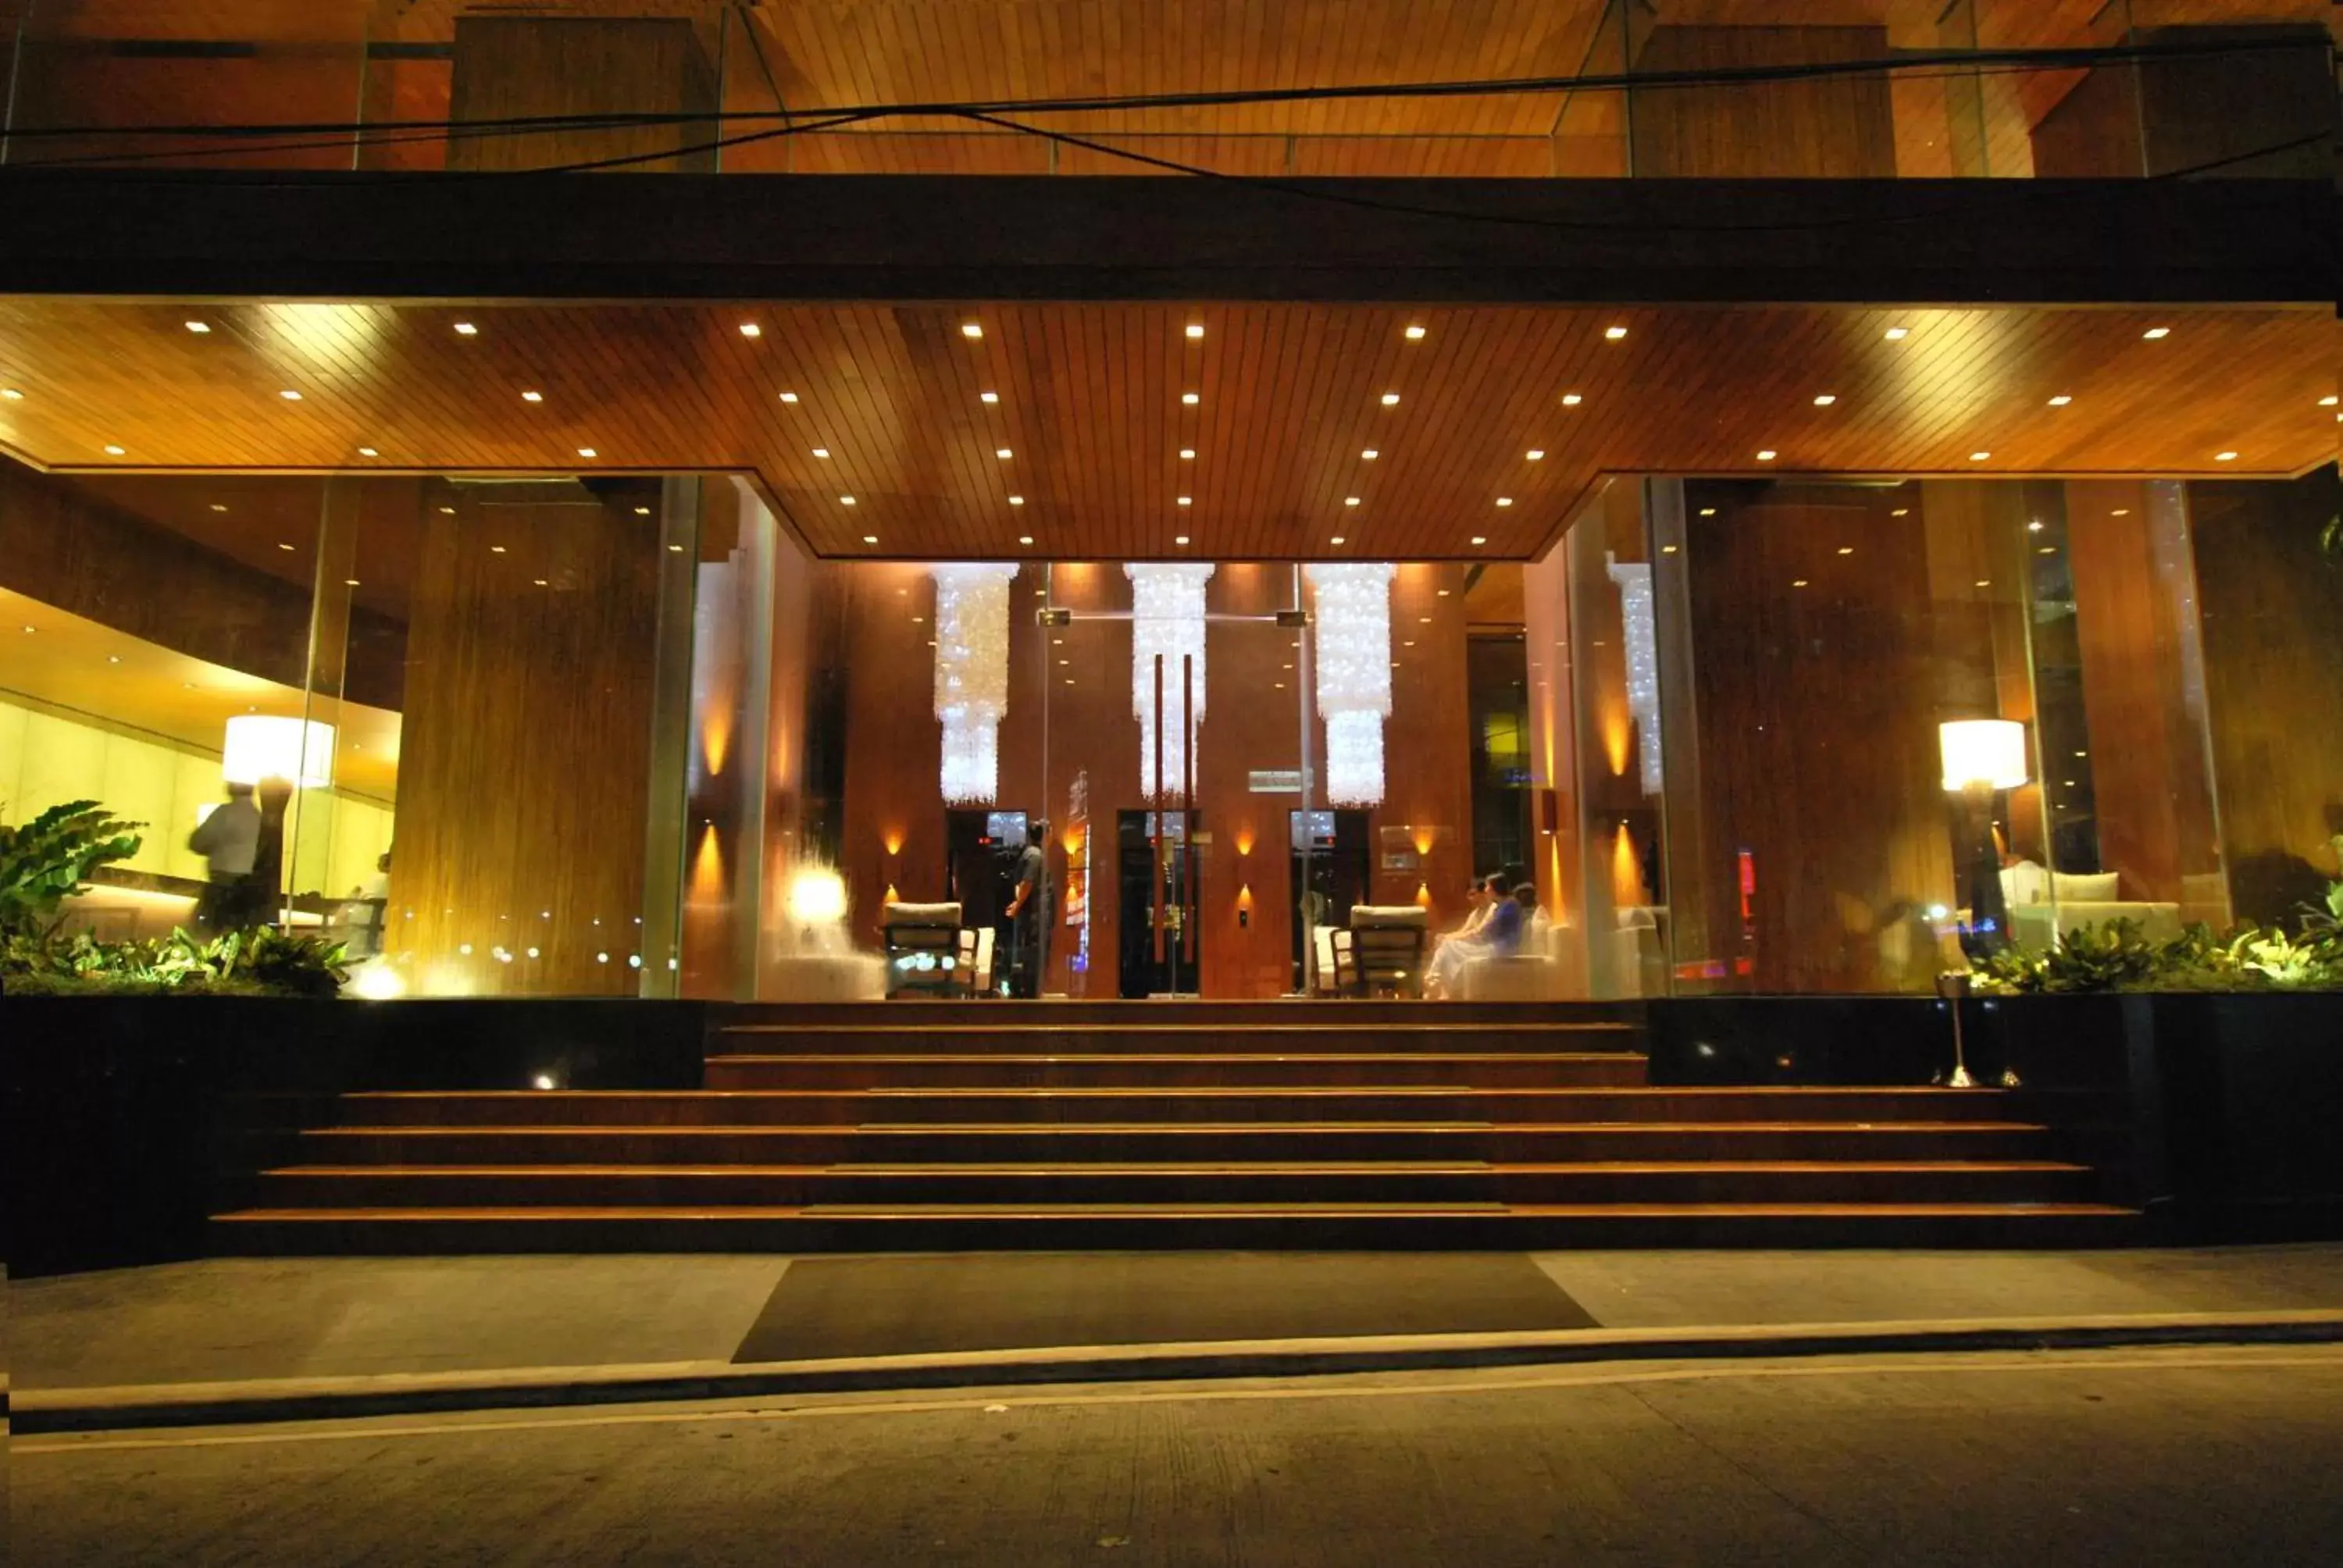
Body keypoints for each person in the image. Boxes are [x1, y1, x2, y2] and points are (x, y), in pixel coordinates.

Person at [1428, 873, 1524, 998]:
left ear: (1495, 888)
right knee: (1447, 947)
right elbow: (1476, 932)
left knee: (1448, 946)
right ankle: (1442, 985)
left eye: (1488, 887)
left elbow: (1486, 932)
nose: (1486, 890)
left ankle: (1435, 980)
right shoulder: (1501, 905)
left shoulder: (1509, 905)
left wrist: (1451, 938)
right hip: (1493, 945)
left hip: (1502, 949)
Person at [187, 782, 262, 933]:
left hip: (222, 879)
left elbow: (198, 841)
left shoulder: (225, 813)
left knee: (205, 927)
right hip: (249, 883)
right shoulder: (258, 817)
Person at [1004, 818, 1052, 998]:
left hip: (1034, 917)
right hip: (1035, 919)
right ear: (1046, 835)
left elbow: (1020, 884)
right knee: (1034, 961)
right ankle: (1030, 999)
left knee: (1031, 959)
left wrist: (1019, 902)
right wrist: (1018, 904)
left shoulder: (1029, 853)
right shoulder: (1035, 856)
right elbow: (1026, 883)